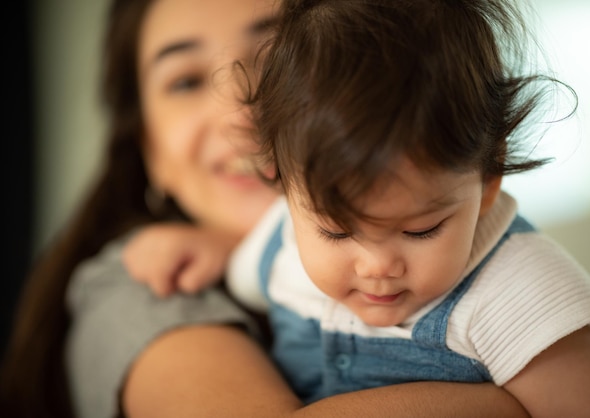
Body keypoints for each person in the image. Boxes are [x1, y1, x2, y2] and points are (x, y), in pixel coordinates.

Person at [0, 0, 537, 417]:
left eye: (278, 56)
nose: (242, 111)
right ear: (149, 149)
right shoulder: (140, 285)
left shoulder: (452, 236)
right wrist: (551, 396)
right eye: (184, 81)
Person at [125, 0, 590, 416]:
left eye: (421, 229)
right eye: (337, 234)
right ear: (280, 181)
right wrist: (212, 246)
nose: (377, 267)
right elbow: (248, 261)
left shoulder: (515, 289)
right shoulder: (278, 242)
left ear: (488, 179)